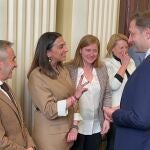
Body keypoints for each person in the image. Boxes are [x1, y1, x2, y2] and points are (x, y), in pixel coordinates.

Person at [28, 32, 88, 150]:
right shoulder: (36, 76)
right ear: (47, 52)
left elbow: (75, 101)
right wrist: (74, 98)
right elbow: (50, 110)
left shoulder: (62, 69)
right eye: (61, 46)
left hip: (69, 135)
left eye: (65, 45)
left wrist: (75, 127)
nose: (66, 49)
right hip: (50, 140)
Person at [104, 11, 150, 150]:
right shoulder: (108, 63)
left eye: (132, 33)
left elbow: (142, 119)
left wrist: (116, 113)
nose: (130, 40)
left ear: (147, 33)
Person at [65, 34, 112, 150]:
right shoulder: (68, 68)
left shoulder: (101, 68)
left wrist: (107, 119)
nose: (91, 54)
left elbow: (107, 93)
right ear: (80, 50)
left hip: (96, 125)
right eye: (88, 50)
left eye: (95, 51)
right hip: (74, 126)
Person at [0, 40, 35, 149]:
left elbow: (22, 124)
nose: (16, 64)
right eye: (13, 59)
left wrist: (31, 146)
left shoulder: (6, 88)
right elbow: (1, 142)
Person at [103, 33, 136, 150]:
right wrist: (124, 65)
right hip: (114, 110)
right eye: (121, 47)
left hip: (129, 110)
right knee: (114, 144)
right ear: (112, 48)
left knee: (126, 143)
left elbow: (135, 83)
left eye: (126, 47)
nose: (125, 50)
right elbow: (113, 85)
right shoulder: (106, 63)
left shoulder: (131, 62)